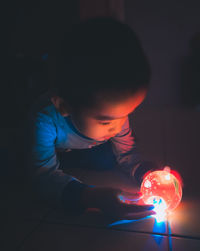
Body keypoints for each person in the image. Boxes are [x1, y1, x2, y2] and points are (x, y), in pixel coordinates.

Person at [27, 17, 160, 220]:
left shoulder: (114, 114)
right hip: (50, 146)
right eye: (106, 121)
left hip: (82, 148)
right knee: (20, 167)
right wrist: (90, 197)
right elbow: (42, 176)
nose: (118, 127)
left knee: (105, 160)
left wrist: (146, 173)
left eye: (126, 115)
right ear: (64, 106)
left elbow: (127, 153)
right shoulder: (44, 120)